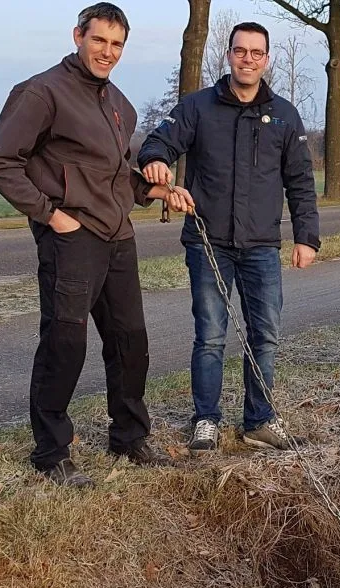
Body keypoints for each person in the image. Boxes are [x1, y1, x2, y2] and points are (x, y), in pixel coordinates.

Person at [0, 2, 194, 487]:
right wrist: (51, 215)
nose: (107, 51)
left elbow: (115, 176)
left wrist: (156, 190)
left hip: (118, 236)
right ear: (78, 36)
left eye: (117, 44)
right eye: (99, 40)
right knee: (65, 343)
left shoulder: (120, 104)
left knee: (130, 341)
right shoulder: (41, 93)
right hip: (72, 238)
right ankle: (51, 452)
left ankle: (129, 437)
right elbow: (0, 163)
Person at [139, 21, 320, 456]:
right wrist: (157, 161)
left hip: (261, 245)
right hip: (208, 243)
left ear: (267, 59)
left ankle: (259, 421)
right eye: (240, 51)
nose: (248, 59)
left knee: (266, 334)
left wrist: (307, 237)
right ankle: (206, 420)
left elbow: (300, 180)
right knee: (210, 336)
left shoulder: (284, 115)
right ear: (229, 55)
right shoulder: (197, 106)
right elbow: (157, 142)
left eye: (257, 53)